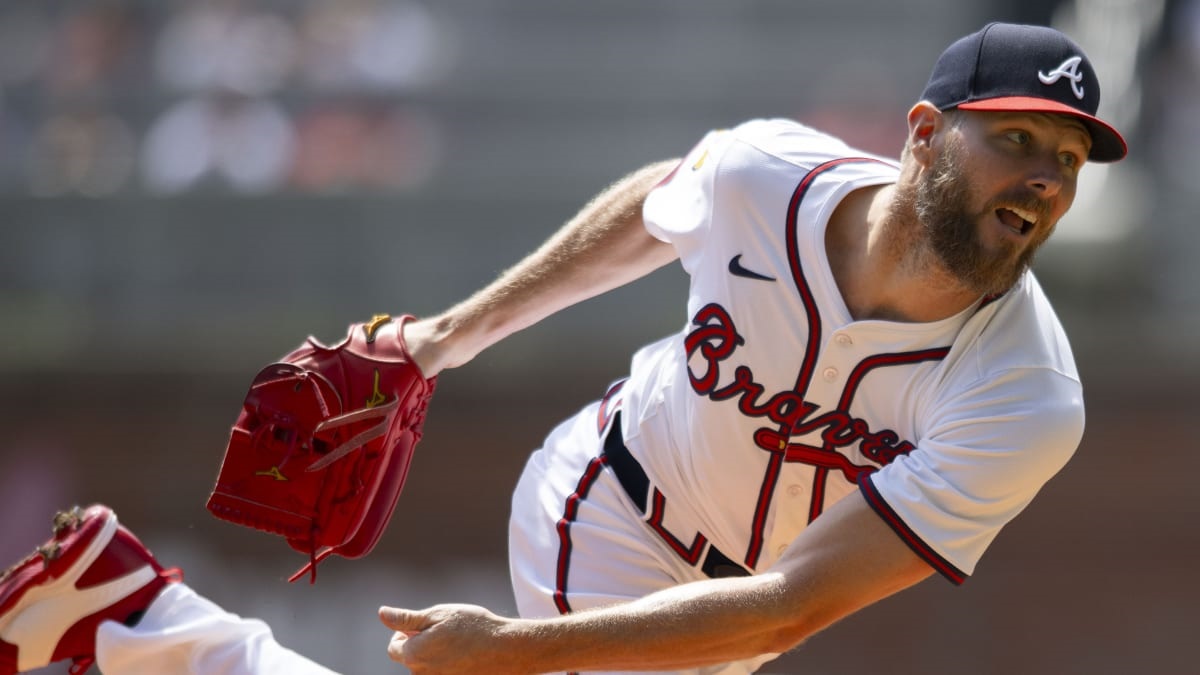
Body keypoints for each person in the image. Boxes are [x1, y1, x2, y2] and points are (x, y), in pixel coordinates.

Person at [1, 21, 1127, 675]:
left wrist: (507, 655)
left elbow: (791, 603)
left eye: (1068, 161)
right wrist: (445, 339)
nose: (1041, 176)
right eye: (1016, 138)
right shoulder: (768, 175)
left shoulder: (1028, 394)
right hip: (606, 504)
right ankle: (151, 627)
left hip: (735, 619)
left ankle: (127, 614)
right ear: (926, 135)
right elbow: (656, 206)